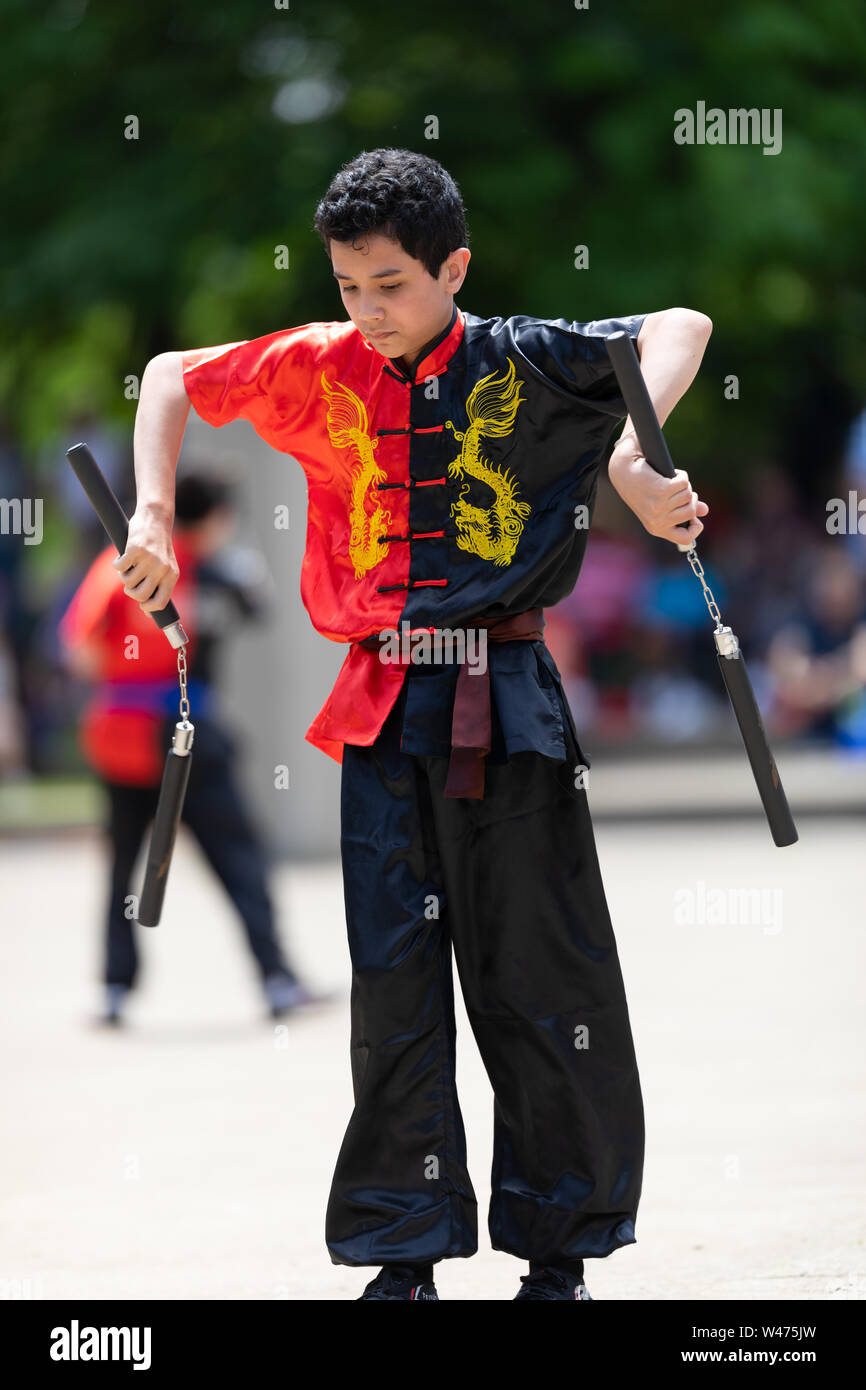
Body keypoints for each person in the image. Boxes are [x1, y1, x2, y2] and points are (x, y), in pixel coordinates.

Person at [115, 148, 712, 1300]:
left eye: (390, 284)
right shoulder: (319, 365)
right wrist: (151, 511)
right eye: (347, 286)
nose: (366, 311)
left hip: (511, 705)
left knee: (542, 979)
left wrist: (634, 456)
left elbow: (675, 323)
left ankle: (558, 1252)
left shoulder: (523, 356)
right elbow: (169, 374)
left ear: (453, 268)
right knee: (393, 987)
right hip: (383, 710)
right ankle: (402, 1252)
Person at [58, 472, 320, 1025]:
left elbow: (79, 650)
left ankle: (114, 989)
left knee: (123, 863)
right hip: (188, 731)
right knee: (238, 857)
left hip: (120, 732)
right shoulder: (213, 567)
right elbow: (259, 607)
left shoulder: (119, 569)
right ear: (215, 518)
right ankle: (276, 979)